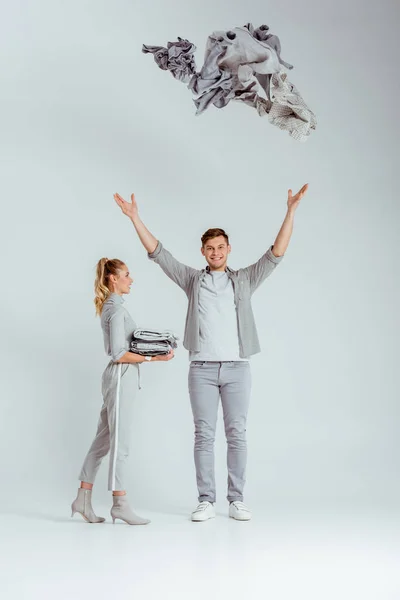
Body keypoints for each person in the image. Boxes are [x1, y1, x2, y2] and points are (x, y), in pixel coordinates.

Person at [114, 184, 308, 522]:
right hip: (201, 368)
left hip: (237, 368)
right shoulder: (192, 280)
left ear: (228, 249)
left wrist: (290, 211)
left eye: (220, 247)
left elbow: (276, 254)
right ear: (203, 252)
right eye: (209, 248)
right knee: (203, 434)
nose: (215, 252)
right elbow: (161, 255)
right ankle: (206, 499)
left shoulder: (245, 279)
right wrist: (135, 218)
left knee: (237, 433)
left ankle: (236, 500)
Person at [71, 258, 174, 524]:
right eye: (127, 275)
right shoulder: (115, 310)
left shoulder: (113, 307)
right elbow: (117, 353)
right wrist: (154, 359)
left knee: (103, 440)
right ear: (113, 279)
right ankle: (120, 502)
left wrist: (154, 348)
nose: (132, 279)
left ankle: (83, 499)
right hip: (120, 376)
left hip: (118, 377)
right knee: (120, 442)